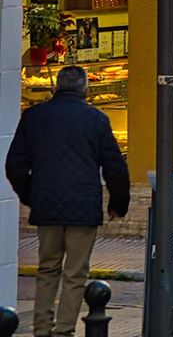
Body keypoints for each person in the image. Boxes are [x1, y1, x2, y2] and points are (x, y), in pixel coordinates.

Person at [6, 66, 130, 337]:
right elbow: (115, 167)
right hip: (84, 207)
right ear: (85, 89)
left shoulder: (34, 117)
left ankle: (41, 329)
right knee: (75, 274)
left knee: (47, 269)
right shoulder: (96, 119)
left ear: (55, 88)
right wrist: (118, 204)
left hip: (46, 206)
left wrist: (31, 195)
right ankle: (63, 331)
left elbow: (14, 165)